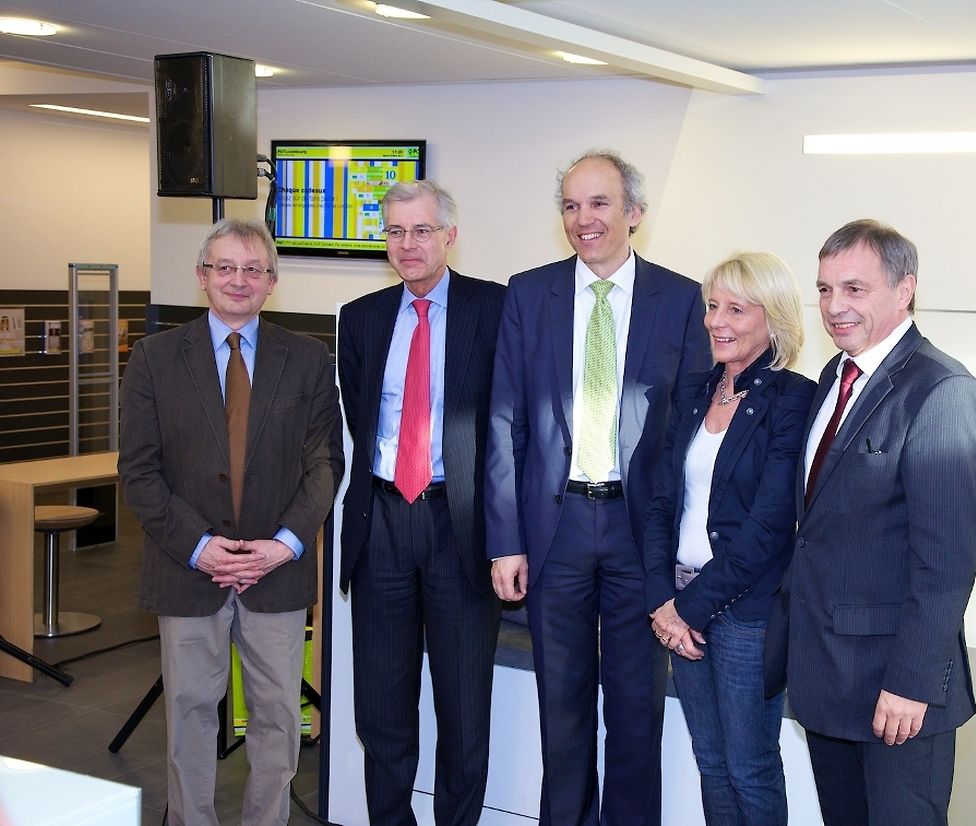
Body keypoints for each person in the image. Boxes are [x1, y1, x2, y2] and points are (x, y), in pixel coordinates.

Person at [486, 149, 712, 825]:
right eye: (570, 205)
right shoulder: (529, 293)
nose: (583, 219)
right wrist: (505, 541)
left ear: (634, 212)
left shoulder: (681, 299)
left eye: (599, 203)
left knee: (638, 708)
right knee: (561, 705)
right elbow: (505, 421)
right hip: (553, 531)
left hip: (639, 534)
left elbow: (690, 431)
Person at [118, 218, 344, 826]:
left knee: (278, 718)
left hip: (277, 572)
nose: (238, 280)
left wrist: (284, 545)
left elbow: (324, 464)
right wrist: (200, 547)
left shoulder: (308, 359)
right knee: (189, 714)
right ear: (202, 276)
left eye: (253, 269)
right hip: (187, 570)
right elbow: (139, 472)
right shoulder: (155, 358)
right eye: (225, 267)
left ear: (272, 281)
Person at [769, 219, 976, 825]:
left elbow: (945, 562)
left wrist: (912, 683)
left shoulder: (942, 391)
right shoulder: (833, 377)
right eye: (824, 289)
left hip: (895, 689)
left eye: (854, 289)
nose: (833, 306)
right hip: (828, 676)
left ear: (905, 290)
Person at [337, 181, 505, 826]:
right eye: (396, 231)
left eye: (422, 230)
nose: (408, 244)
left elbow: (508, 423)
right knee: (381, 707)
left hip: (460, 526)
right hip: (379, 521)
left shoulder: (494, 308)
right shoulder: (360, 317)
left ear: (449, 236)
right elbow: (360, 418)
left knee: (463, 709)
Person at [644, 252, 815, 825]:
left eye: (736, 309)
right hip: (680, 600)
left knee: (749, 766)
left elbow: (768, 527)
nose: (717, 321)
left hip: (744, 611)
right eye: (713, 306)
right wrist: (662, 600)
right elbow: (662, 503)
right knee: (711, 761)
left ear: (773, 318)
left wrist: (685, 611)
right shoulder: (695, 390)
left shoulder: (792, 398)